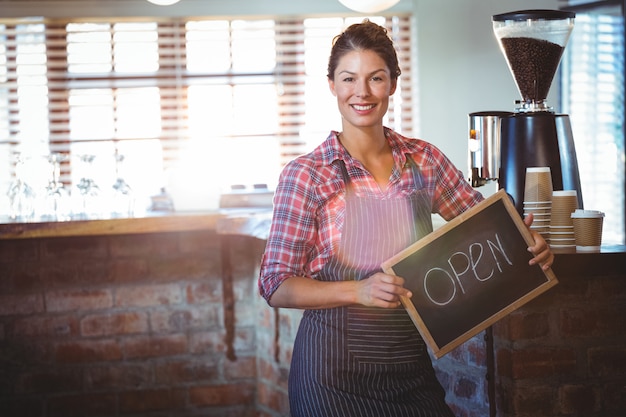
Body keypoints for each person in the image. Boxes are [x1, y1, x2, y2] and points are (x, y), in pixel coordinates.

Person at [258, 19, 553, 417]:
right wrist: (357, 291)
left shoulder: (423, 160)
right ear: (332, 85)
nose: (361, 92)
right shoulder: (307, 175)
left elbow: (486, 225)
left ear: (393, 84)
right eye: (348, 79)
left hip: (409, 370)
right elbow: (275, 284)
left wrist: (528, 245)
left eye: (375, 78)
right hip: (330, 378)